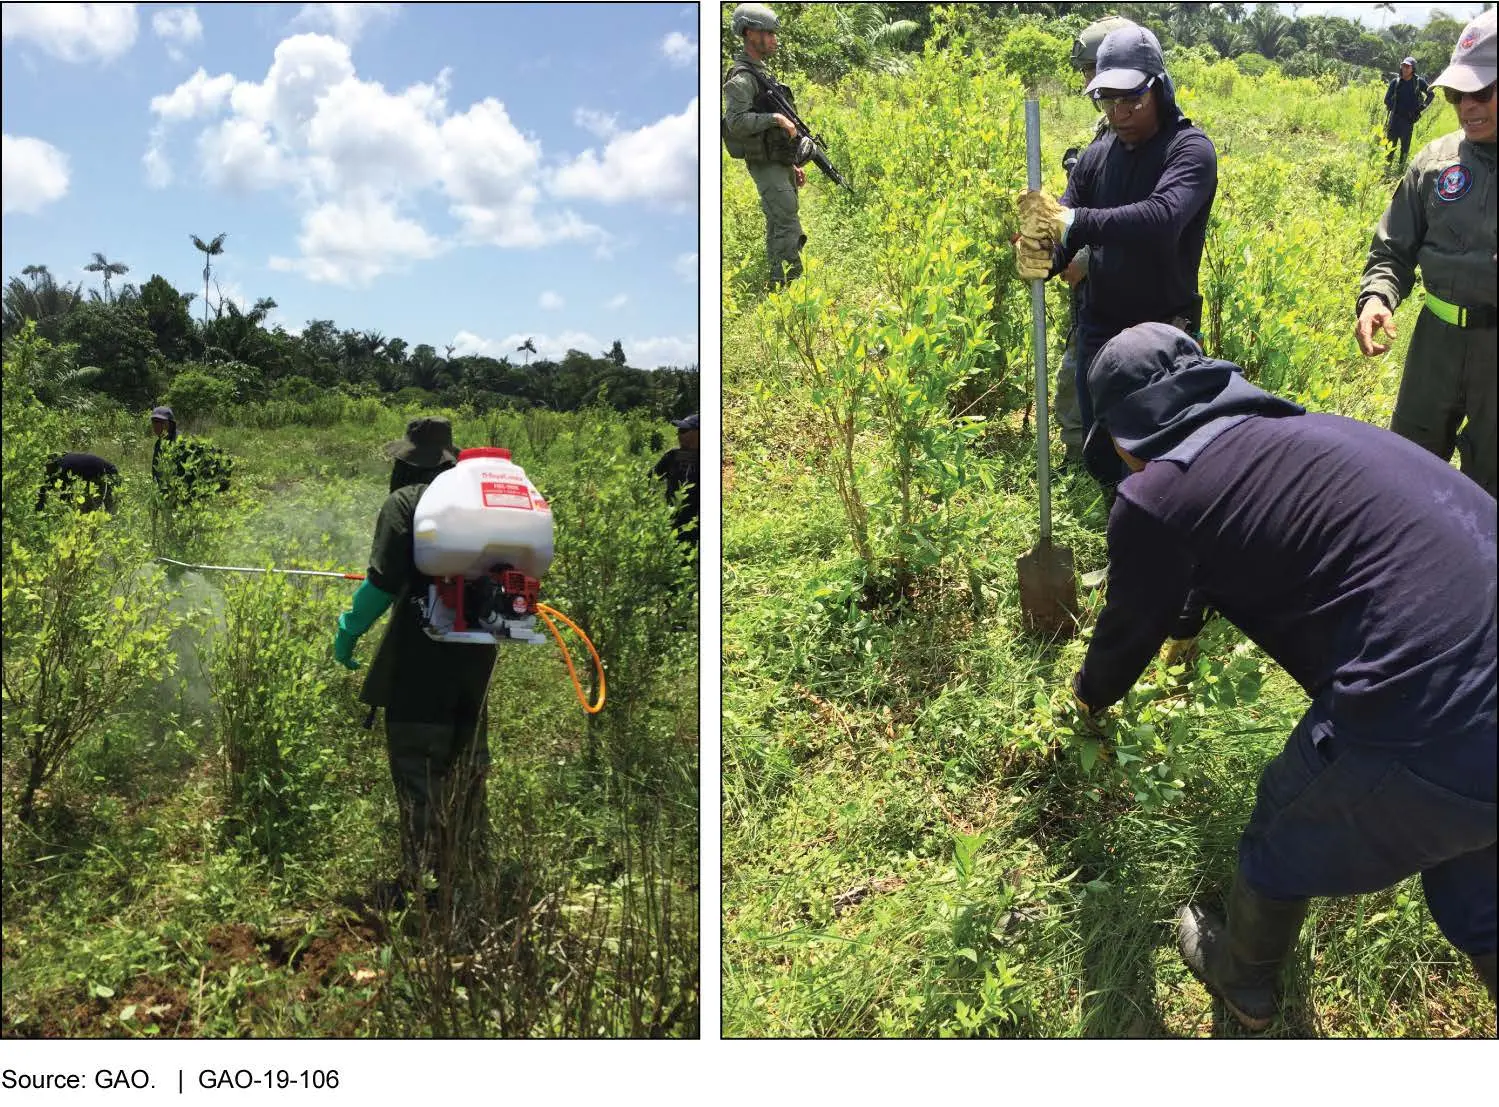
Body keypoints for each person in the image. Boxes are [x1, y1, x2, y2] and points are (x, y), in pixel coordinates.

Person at [1069, 322, 1496, 1031]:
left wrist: (1088, 693)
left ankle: (1242, 980)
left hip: (1432, 709)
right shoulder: (1293, 435)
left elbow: (1126, 627)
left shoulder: (1154, 497)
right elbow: (1221, 547)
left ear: (1121, 435)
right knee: (1477, 879)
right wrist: (1187, 625)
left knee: (1285, 826)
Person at [1015, 25, 1218, 470]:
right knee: (1104, 462)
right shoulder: (1097, 155)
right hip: (1100, 334)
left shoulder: (1189, 151)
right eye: (1107, 100)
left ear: (1159, 88)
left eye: (1132, 99)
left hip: (1163, 340)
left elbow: (1161, 219)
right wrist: (1041, 251)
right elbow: (1067, 231)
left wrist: (1073, 221)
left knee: (1163, 469)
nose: (1120, 112)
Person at [332, 417, 496, 909]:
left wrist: (348, 630)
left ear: (405, 462)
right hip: (478, 661)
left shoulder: (404, 504)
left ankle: (429, 887)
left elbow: (381, 583)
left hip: (419, 665)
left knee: (420, 771)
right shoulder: (481, 505)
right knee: (466, 768)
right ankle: (470, 872)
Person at [1356, 8, 1497, 499]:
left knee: (1489, 494)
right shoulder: (1435, 163)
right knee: (1407, 477)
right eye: (1458, 95)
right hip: (1434, 346)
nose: (1467, 107)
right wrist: (1377, 297)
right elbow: (1393, 250)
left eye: (1482, 93)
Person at [1054, 15, 1139, 470]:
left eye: (1094, 69)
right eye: (1088, 72)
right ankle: (1086, 465)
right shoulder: (1104, 134)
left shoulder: (1154, 139)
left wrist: (1084, 257)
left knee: (1102, 382)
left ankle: (1099, 471)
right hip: (1094, 291)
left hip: (1124, 292)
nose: (1090, 82)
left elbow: (1140, 221)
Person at [723, 3, 807, 288]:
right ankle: (793, 284)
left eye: (774, 34)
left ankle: (777, 280)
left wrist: (792, 162)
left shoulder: (761, 73)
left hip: (778, 158)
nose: (774, 40)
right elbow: (735, 121)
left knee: (778, 218)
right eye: (767, 33)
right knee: (786, 218)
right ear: (749, 34)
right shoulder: (742, 78)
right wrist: (775, 118)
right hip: (763, 160)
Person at [150, 404, 231, 505]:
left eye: (159, 422)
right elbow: (156, 472)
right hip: (168, 499)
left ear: (169, 424)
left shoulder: (183, 441)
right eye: (153, 422)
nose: (155, 425)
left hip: (186, 498)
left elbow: (211, 457)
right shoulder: (159, 444)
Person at [653, 413, 700, 548]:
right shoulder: (671, 457)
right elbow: (651, 478)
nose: (679, 435)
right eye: (679, 431)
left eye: (684, 431)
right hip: (674, 519)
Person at [1384, 56, 1435, 169]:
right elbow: (1386, 100)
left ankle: (1400, 170)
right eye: (1403, 66)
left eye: (1408, 66)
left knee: (1405, 148)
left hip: (1408, 120)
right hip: (1395, 119)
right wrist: (1397, 108)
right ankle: (1386, 170)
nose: (1405, 69)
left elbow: (1431, 94)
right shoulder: (1395, 82)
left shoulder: (1418, 82)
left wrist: (1422, 107)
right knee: (1389, 146)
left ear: (1413, 68)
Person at [36, 452, 119, 514]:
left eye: (46, 467)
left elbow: (65, 495)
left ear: (52, 465)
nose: (46, 471)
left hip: (106, 474)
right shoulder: (65, 459)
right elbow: (47, 486)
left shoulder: (63, 467)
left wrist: (40, 508)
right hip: (96, 473)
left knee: (104, 507)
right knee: (88, 505)